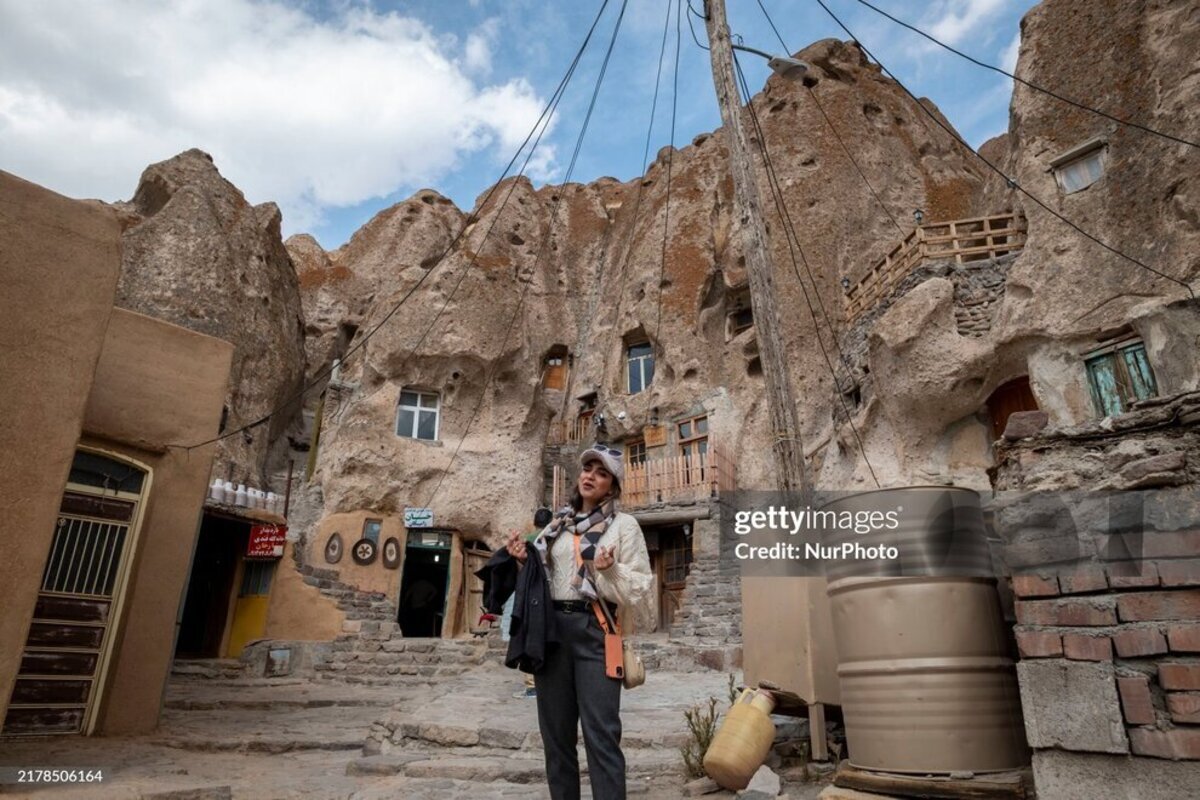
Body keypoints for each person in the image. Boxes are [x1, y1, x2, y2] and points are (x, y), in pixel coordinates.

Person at [507, 444, 653, 800]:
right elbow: (544, 579)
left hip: (595, 632)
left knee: (602, 736)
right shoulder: (556, 524)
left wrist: (611, 568)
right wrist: (523, 562)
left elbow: (639, 588)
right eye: (588, 468)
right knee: (556, 739)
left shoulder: (624, 526)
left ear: (613, 486)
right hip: (551, 633)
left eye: (602, 472)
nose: (591, 476)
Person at [501, 507, 554, 698]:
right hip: (553, 595)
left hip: (531, 596)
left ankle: (532, 686)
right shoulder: (554, 537)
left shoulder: (529, 540)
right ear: (550, 521)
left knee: (529, 637)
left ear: (534, 522)